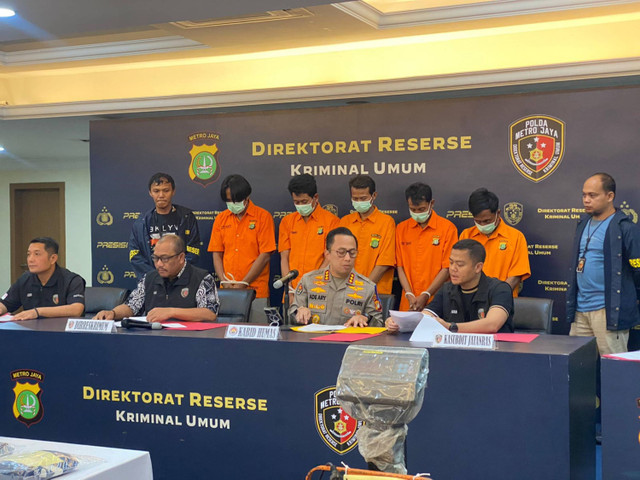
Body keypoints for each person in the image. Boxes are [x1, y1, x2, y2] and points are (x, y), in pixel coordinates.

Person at [566, 173, 640, 355]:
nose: (586, 200)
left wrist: (629, 299)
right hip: (580, 310)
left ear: (610, 196)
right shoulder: (583, 223)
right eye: (584, 195)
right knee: (577, 367)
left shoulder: (625, 228)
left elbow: (637, 271)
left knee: (612, 369)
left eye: (592, 195)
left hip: (608, 312)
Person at [386, 239, 513, 334]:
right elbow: (426, 315)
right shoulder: (447, 289)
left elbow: (492, 325)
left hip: (494, 355)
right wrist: (399, 323)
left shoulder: (500, 289)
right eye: (451, 262)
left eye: (460, 264)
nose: (453, 269)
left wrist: (449, 327)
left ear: (478, 267)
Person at [94, 235, 218, 322]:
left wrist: (171, 312)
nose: (159, 264)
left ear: (181, 258)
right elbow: (132, 306)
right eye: (155, 258)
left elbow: (209, 313)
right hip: (153, 340)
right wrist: (113, 313)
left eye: (164, 259)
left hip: (189, 341)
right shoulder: (149, 278)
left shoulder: (202, 278)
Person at [208, 174, 276, 323]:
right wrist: (224, 280)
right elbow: (216, 253)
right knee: (225, 338)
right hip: (227, 292)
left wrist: (244, 282)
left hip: (256, 291)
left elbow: (265, 254)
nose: (232, 204)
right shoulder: (221, 219)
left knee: (257, 339)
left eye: (236, 200)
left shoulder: (263, 217)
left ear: (247, 197)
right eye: (228, 201)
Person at [290, 227, 383, 327]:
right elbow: (291, 315)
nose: (347, 258)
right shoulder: (308, 280)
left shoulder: (368, 287)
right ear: (327, 254)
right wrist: (299, 312)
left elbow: (379, 322)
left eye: (352, 253)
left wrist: (365, 318)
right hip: (312, 340)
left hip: (348, 341)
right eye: (341, 252)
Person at [396, 182, 458, 311]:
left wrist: (427, 294)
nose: (417, 213)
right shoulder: (401, 229)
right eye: (413, 209)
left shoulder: (447, 228)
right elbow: (400, 266)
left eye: (422, 209)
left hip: (438, 299)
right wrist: (408, 293)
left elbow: (447, 268)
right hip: (409, 301)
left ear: (432, 203)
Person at [278, 174, 339, 301]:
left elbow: (329, 259)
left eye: (304, 202)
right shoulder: (287, 222)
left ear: (315, 197)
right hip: (292, 292)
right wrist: (289, 288)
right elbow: (284, 257)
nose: (300, 205)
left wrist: (312, 286)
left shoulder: (332, 221)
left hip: (320, 291)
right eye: (296, 202)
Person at [129, 172, 201, 279]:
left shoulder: (187, 218)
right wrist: (155, 276)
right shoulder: (141, 222)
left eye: (166, 190)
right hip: (151, 281)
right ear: (150, 193)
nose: (161, 195)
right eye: (156, 191)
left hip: (180, 280)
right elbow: (135, 255)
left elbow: (193, 251)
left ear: (173, 192)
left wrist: (176, 273)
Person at [459, 188, 530, 296]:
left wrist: (497, 297)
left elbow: (516, 276)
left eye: (487, 221)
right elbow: (460, 270)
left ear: (498, 213)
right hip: (471, 301)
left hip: (501, 303)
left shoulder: (516, 237)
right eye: (478, 221)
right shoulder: (466, 235)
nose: (482, 225)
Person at [0, 237, 85, 320]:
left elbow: (76, 309)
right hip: (30, 331)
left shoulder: (72, 280)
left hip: (61, 332)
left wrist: (37, 312)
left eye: (37, 254)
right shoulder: (25, 279)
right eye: (28, 254)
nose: (30, 259)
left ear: (53, 258)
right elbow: (5, 304)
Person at [339, 175, 396, 295]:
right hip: (345, 290)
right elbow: (337, 257)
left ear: (373, 196)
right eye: (355, 198)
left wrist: (364, 289)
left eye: (363, 198)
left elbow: (385, 261)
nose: (359, 202)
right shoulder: (345, 222)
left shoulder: (386, 222)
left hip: (375, 291)